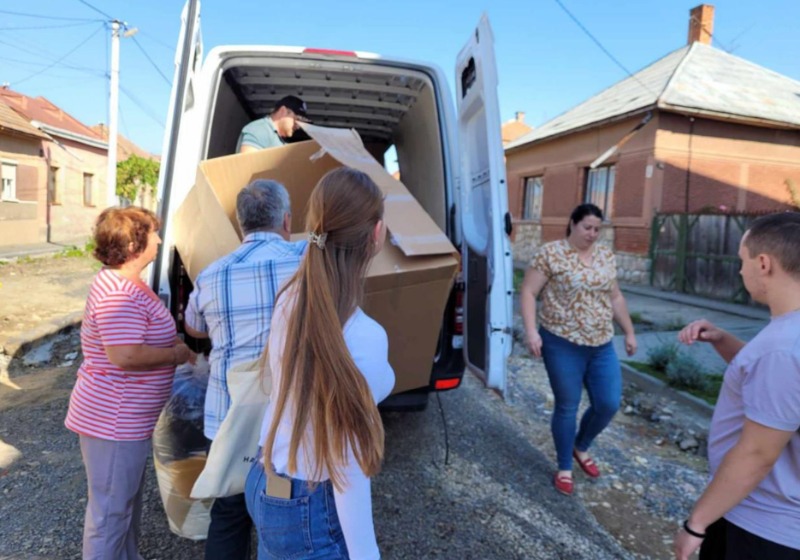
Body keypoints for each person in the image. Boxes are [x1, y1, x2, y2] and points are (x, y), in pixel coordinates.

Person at [245, 167, 395, 559]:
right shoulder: (364, 336)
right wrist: (366, 554)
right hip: (308, 502)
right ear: (376, 235)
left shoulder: (289, 298)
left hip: (265, 481)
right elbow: (347, 461)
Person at [183, 179, 306, 560]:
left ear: (241, 225)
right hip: (290, 420)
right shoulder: (309, 261)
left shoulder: (210, 275)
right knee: (286, 515)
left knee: (229, 515)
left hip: (228, 420)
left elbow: (194, 328)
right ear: (287, 220)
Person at [64, 206, 196, 560]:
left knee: (123, 506)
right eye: (153, 233)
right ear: (135, 243)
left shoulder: (127, 283)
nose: (158, 239)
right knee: (110, 514)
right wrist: (176, 355)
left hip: (125, 422)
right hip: (113, 422)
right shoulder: (117, 293)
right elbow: (124, 355)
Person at [674, 212, 800, 560]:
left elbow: (757, 454)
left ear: (763, 264)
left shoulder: (782, 348)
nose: (740, 270)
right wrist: (724, 341)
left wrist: (696, 524)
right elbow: (781, 391)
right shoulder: (787, 337)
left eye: (742, 260)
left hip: (762, 528)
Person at [519, 203, 637, 496]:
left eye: (597, 229)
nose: (593, 234)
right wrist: (532, 331)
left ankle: (580, 446)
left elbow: (616, 296)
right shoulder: (551, 254)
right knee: (567, 405)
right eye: (587, 227)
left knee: (608, 403)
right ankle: (564, 467)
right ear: (572, 224)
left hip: (601, 344)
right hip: (561, 342)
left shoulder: (605, 256)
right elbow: (529, 291)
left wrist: (629, 332)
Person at [236, 95, 310, 153]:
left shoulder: (278, 139)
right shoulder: (261, 129)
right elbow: (247, 165)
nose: (298, 126)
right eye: (297, 119)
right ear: (283, 111)